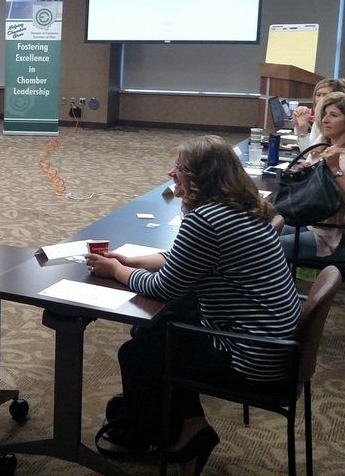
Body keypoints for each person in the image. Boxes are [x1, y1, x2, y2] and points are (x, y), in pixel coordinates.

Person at [85, 135, 301, 475]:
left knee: (140, 351)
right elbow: (185, 260)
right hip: (274, 342)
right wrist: (133, 260)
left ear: (201, 177)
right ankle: (182, 428)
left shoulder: (205, 220)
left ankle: (176, 434)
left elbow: (165, 287)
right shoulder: (245, 208)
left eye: (180, 168)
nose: (172, 172)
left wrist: (117, 270)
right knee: (158, 332)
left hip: (252, 356)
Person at [280, 91, 345, 276]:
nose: (325, 120)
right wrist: (304, 173)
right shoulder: (324, 148)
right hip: (318, 226)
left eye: (333, 115)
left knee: (272, 248)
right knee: (267, 231)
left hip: (342, 237)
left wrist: (335, 170)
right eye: (325, 114)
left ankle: (274, 298)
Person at [291, 77, 345, 150]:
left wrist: (302, 127)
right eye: (318, 95)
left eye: (325, 95)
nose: (321, 99)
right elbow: (310, 151)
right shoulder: (321, 120)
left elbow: (309, 154)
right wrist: (297, 124)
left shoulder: (331, 123)